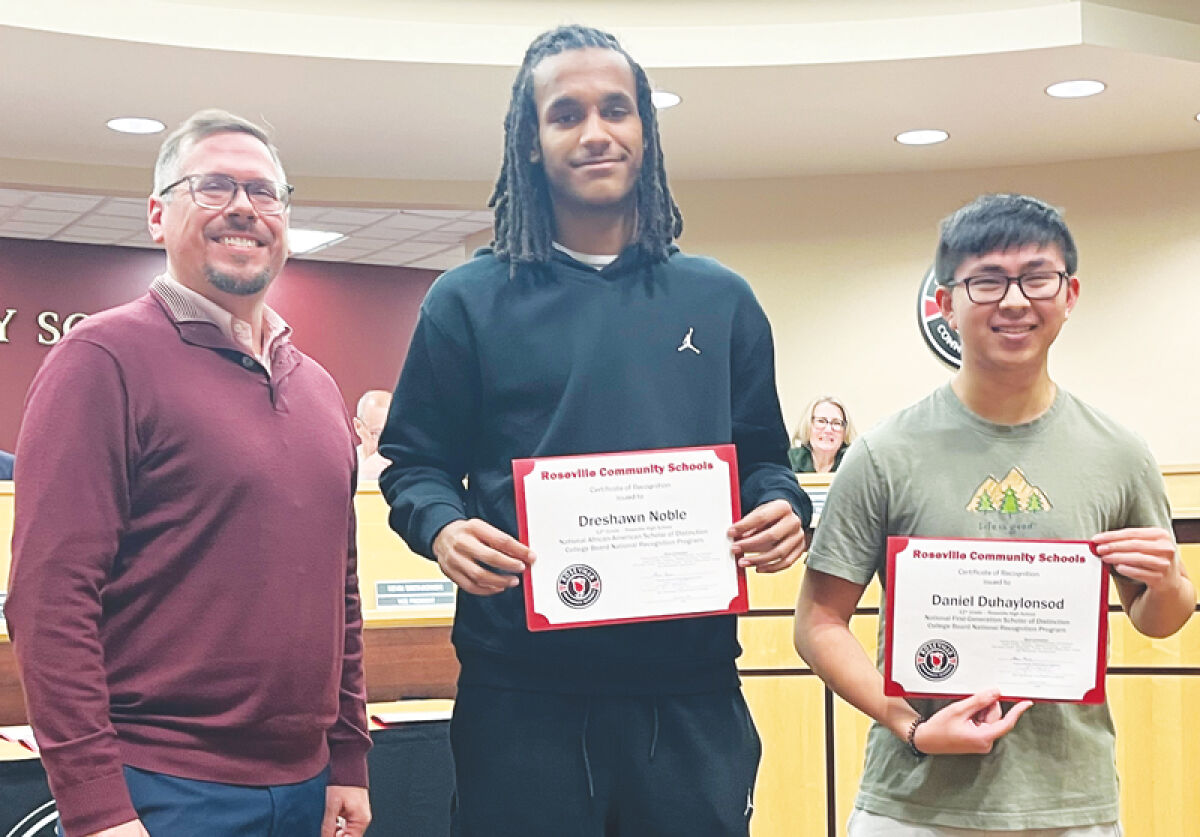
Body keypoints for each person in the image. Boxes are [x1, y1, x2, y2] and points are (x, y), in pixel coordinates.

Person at [379, 24, 810, 837]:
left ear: (645, 131)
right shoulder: (466, 301)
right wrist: (442, 529)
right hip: (521, 697)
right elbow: (413, 464)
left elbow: (763, 457)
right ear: (531, 142)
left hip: (689, 694)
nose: (595, 132)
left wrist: (785, 506)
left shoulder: (720, 300)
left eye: (616, 110)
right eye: (566, 114)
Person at [6, 110, 371, 837]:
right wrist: (97, 805)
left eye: (265, 193)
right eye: (213, 186)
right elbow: (50, 599)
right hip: (158, 790)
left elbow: (342, 585)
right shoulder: (99, 361)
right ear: (156, 215)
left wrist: (349, 756)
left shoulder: (318, 387)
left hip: (308, 789)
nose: (243, 207)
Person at [793, 193, 1195, 835]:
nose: (1014, 301)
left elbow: (1156, 617)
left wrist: (1172, 584)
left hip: (1070, 801)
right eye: (986, 281)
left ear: (1070, 294)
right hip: (912, 802)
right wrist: (913, 727)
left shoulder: (1118, 453)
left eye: (1038, 277)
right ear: (946, 302)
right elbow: (818, 621)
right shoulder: (882, 453)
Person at [789, 395, 855, 473]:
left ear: (845, 430)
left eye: (836, 423)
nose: (828, 430)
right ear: (808, 425)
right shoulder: (789, 461)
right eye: (821, 421)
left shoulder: (853, 463)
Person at [353, 389, 392, 480]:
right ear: (358, 427)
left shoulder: (404, 466)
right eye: (376, 434)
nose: (385, 443)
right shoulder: (347, 464)